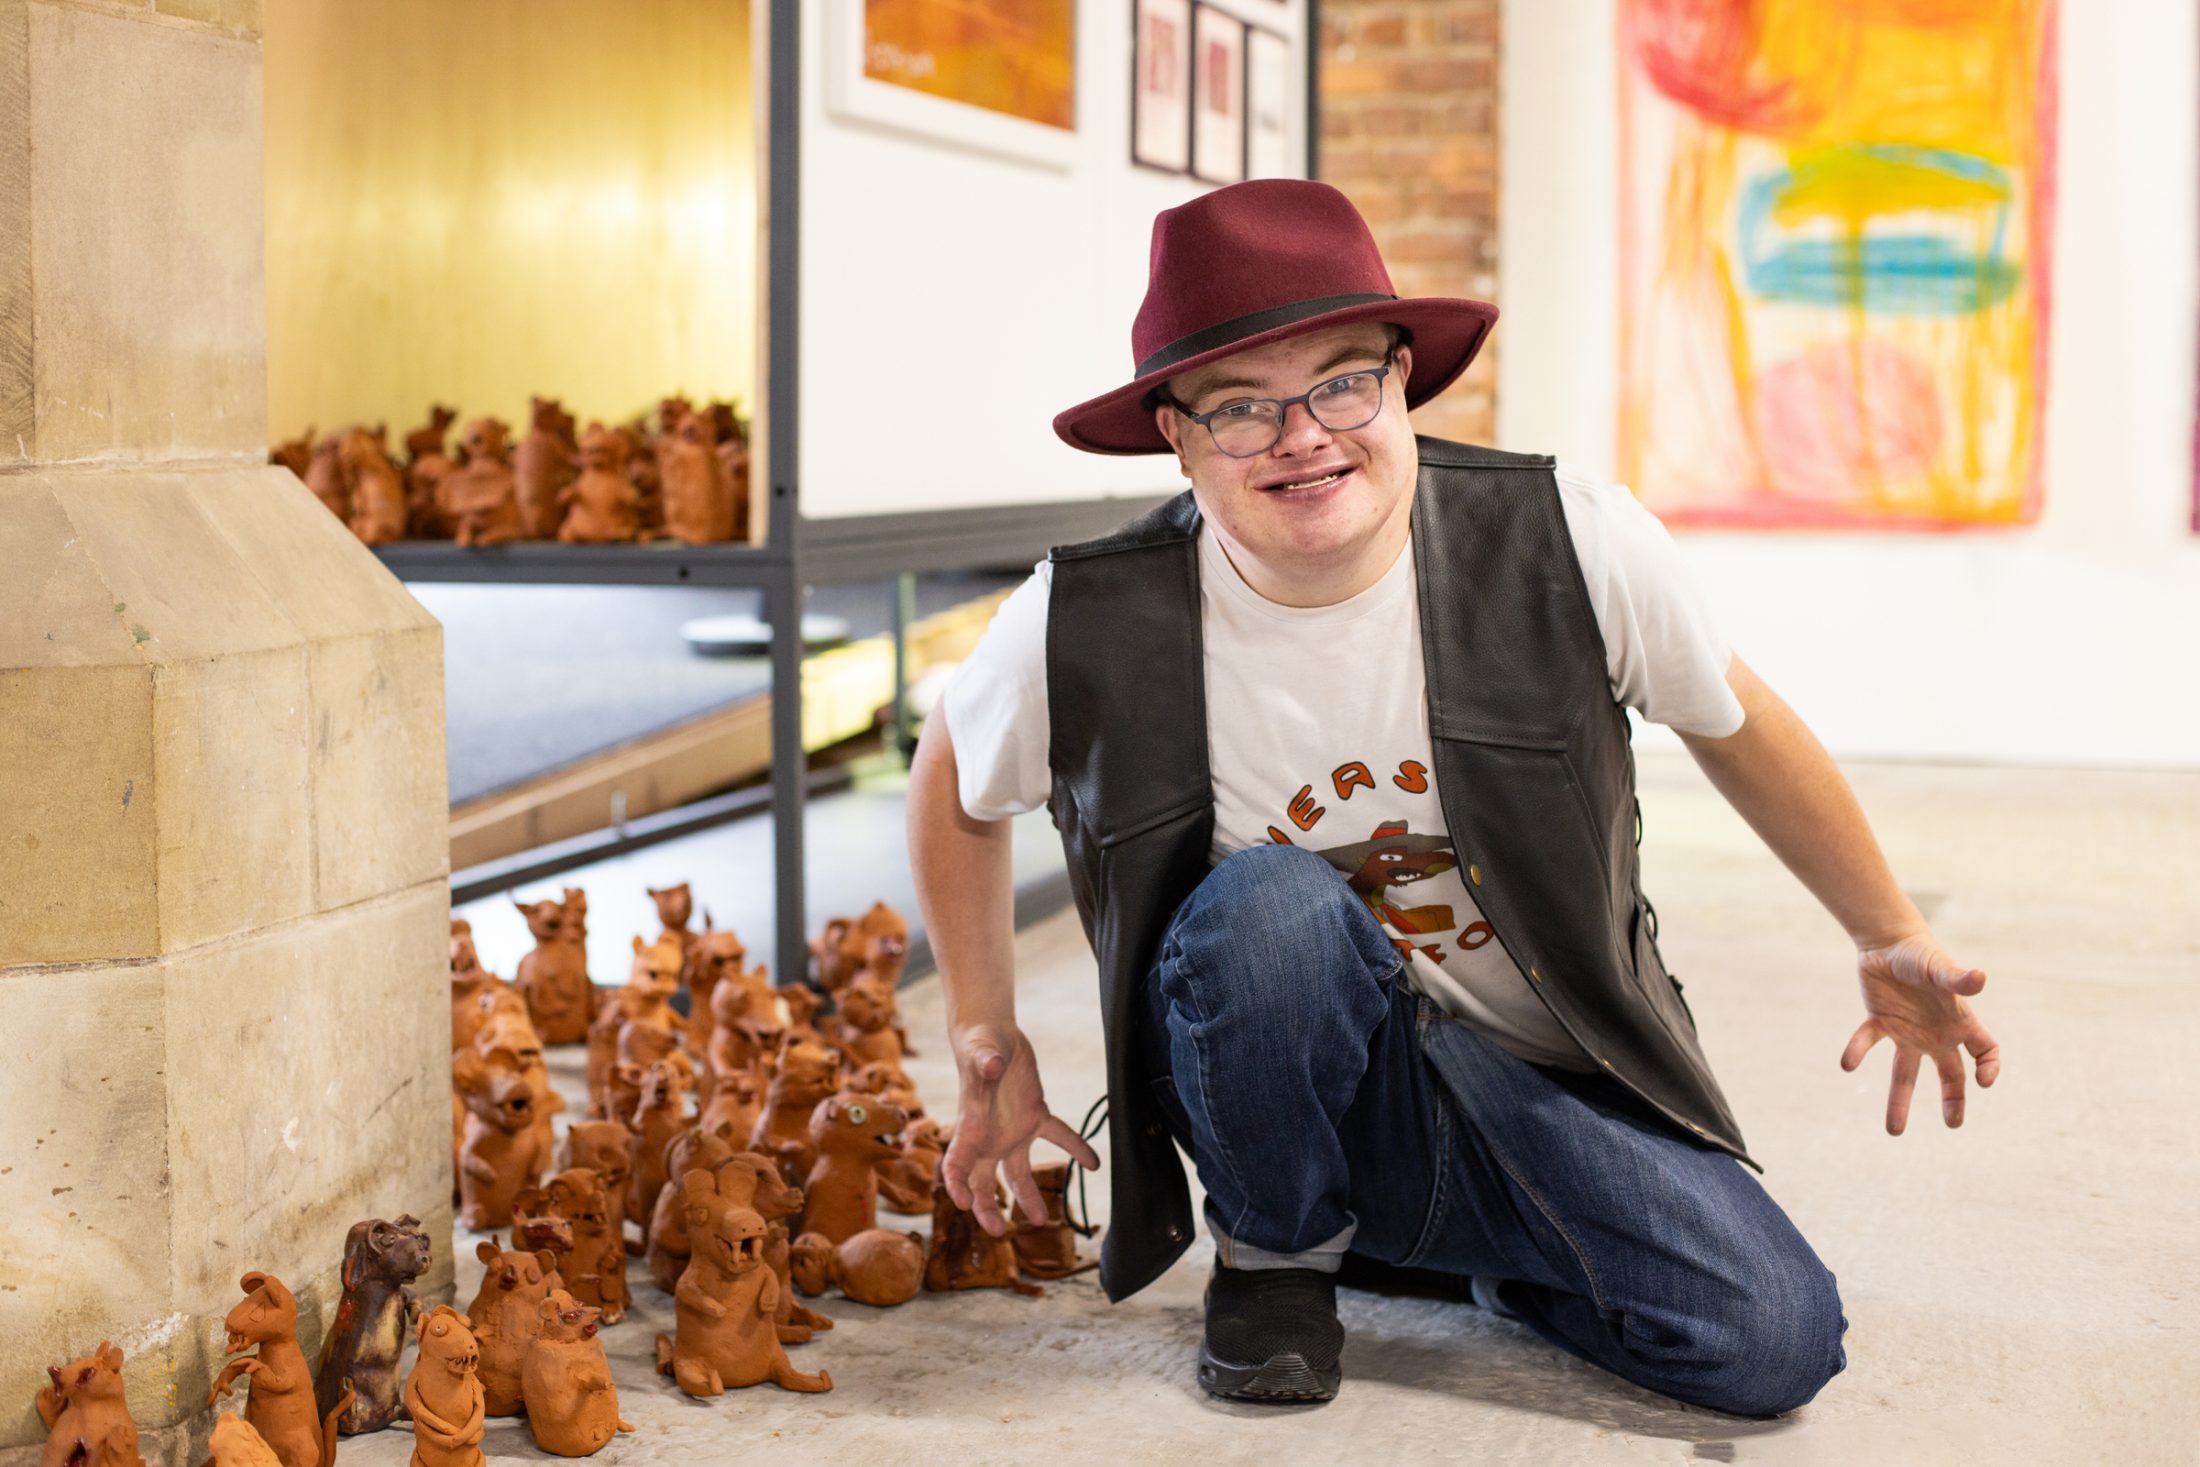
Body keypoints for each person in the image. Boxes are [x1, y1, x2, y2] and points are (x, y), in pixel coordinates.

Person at [905, 180, 2002, 1415]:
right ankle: (1276, 1256)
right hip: (1286, 1080)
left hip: (1534, 1080)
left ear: (1400, 380)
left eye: (1340, 383)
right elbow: (951, 773)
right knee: (1270, 907)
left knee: (1768, 1341)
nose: (1302, 436)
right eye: (1240, 407)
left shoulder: (1571, 538)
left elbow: (1733, 720)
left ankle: (1451, 1256)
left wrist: (1884, 929)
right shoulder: (1087, 612)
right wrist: (983, 1028)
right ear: (1177, 432)